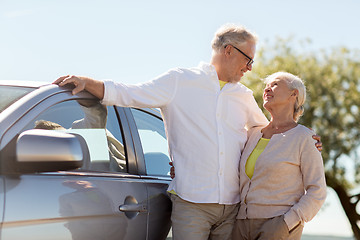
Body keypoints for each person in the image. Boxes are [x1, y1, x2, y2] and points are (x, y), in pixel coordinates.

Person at [53, 24, 321, 240]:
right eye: (248, 59)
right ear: (229, 50)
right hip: (191, 204)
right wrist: (88, 82)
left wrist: (306, 140)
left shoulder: (244, 96)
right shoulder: (180, 81)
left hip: (233, 210)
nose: (250, 67)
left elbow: (269, 133)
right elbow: (130, 93)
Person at [232, 72, 327, 240]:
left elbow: (317, 190)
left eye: (275, 84)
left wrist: (287, 222)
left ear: (294, 94)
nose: (267, 88)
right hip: (239, 226)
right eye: (266, 86)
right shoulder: (251, 134)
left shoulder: (305, 138)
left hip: (277, 227)